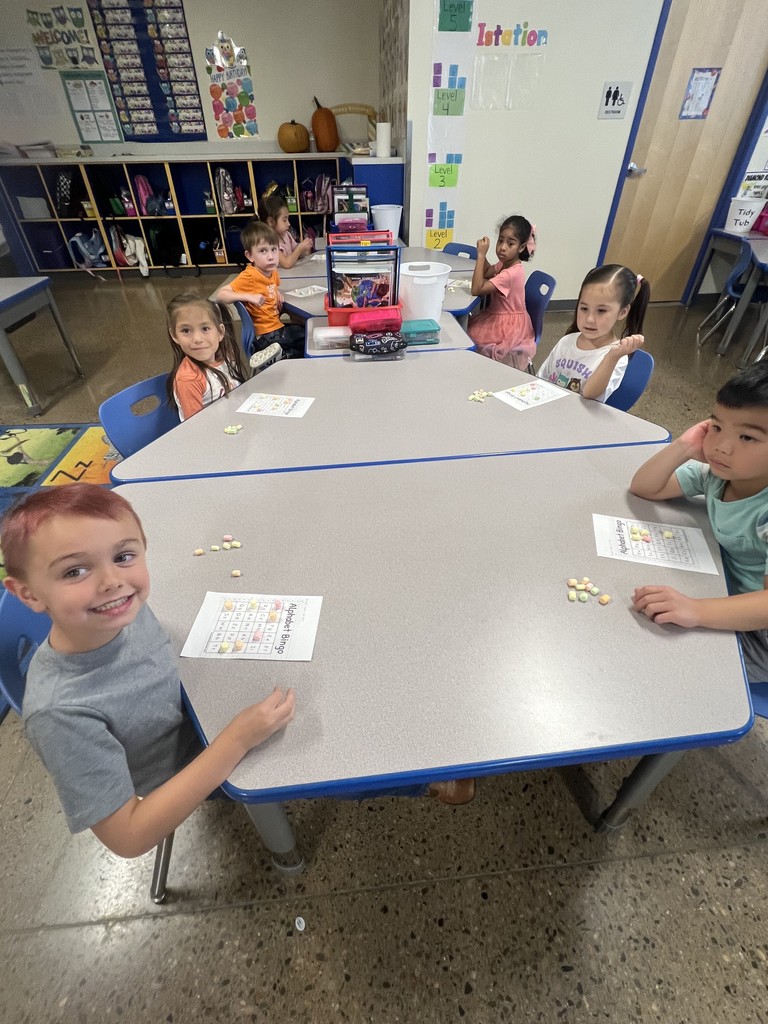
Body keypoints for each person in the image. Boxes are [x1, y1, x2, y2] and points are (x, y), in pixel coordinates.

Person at [0, 484, 296, 858]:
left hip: (201, 704)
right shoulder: (59, 714)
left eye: (123, 556)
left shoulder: (120, 609)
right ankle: (287, 854)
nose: (111, 581)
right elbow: (129, 837)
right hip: (196, 764)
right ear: (28, 594)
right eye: (75, 571)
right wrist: (236, 740)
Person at [630, 363, 768, 686]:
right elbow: (644, 486)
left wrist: (696, 610)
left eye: (747, 437)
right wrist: (684, 447)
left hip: (760, 634)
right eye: (716, 427)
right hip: (726, 590)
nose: (722, 447)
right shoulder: (718, 476)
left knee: (673, 668)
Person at [537, 264, 650, 401]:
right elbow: (541, 379)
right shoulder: (566, 341)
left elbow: (589, 394)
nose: (589, 319)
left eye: (601, 311)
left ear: (622, 312)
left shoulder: (617, 357)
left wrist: (612, 357)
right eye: (584, 308)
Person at [164, 292, 279, 422]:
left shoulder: (226, 356)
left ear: (220, 332)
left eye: (205, 328)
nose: (197, 339)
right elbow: (197, 427)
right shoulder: (189, 380)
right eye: (186, 331)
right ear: (174, 335)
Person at [215, 221, 306, 359]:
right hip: (266, 336)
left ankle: (280, 356)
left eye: (274, 249)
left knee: (306, 334)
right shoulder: (250, 276)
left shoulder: (272, 271)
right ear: (250, 256)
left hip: (276, 329)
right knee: (307, 342)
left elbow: (271, 286)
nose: (271, 256)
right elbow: (221, 295)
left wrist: (276, 293)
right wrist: (249, 297)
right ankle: (277, 358)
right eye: (263, 251)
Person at [467, 215, 536, 371]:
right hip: (501, 315)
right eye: (500, 241)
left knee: (468, 334)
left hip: (508, 325)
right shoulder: (505, 264)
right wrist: (483, 255)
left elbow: (476, 289)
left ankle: (478, 370)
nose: (502, 247)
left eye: (510, 243)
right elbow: (486, 272)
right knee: (466, 328)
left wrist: (481, 256)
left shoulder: (510, 274)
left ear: (521, 247)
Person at [258, 195, 313, 270]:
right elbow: (287, 264)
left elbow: (296, 254)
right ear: (271, 221)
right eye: (284, 220)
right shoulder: (268, 242)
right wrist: (300, 248)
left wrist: (306, 248)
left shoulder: (286, 235)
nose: (289, 224)